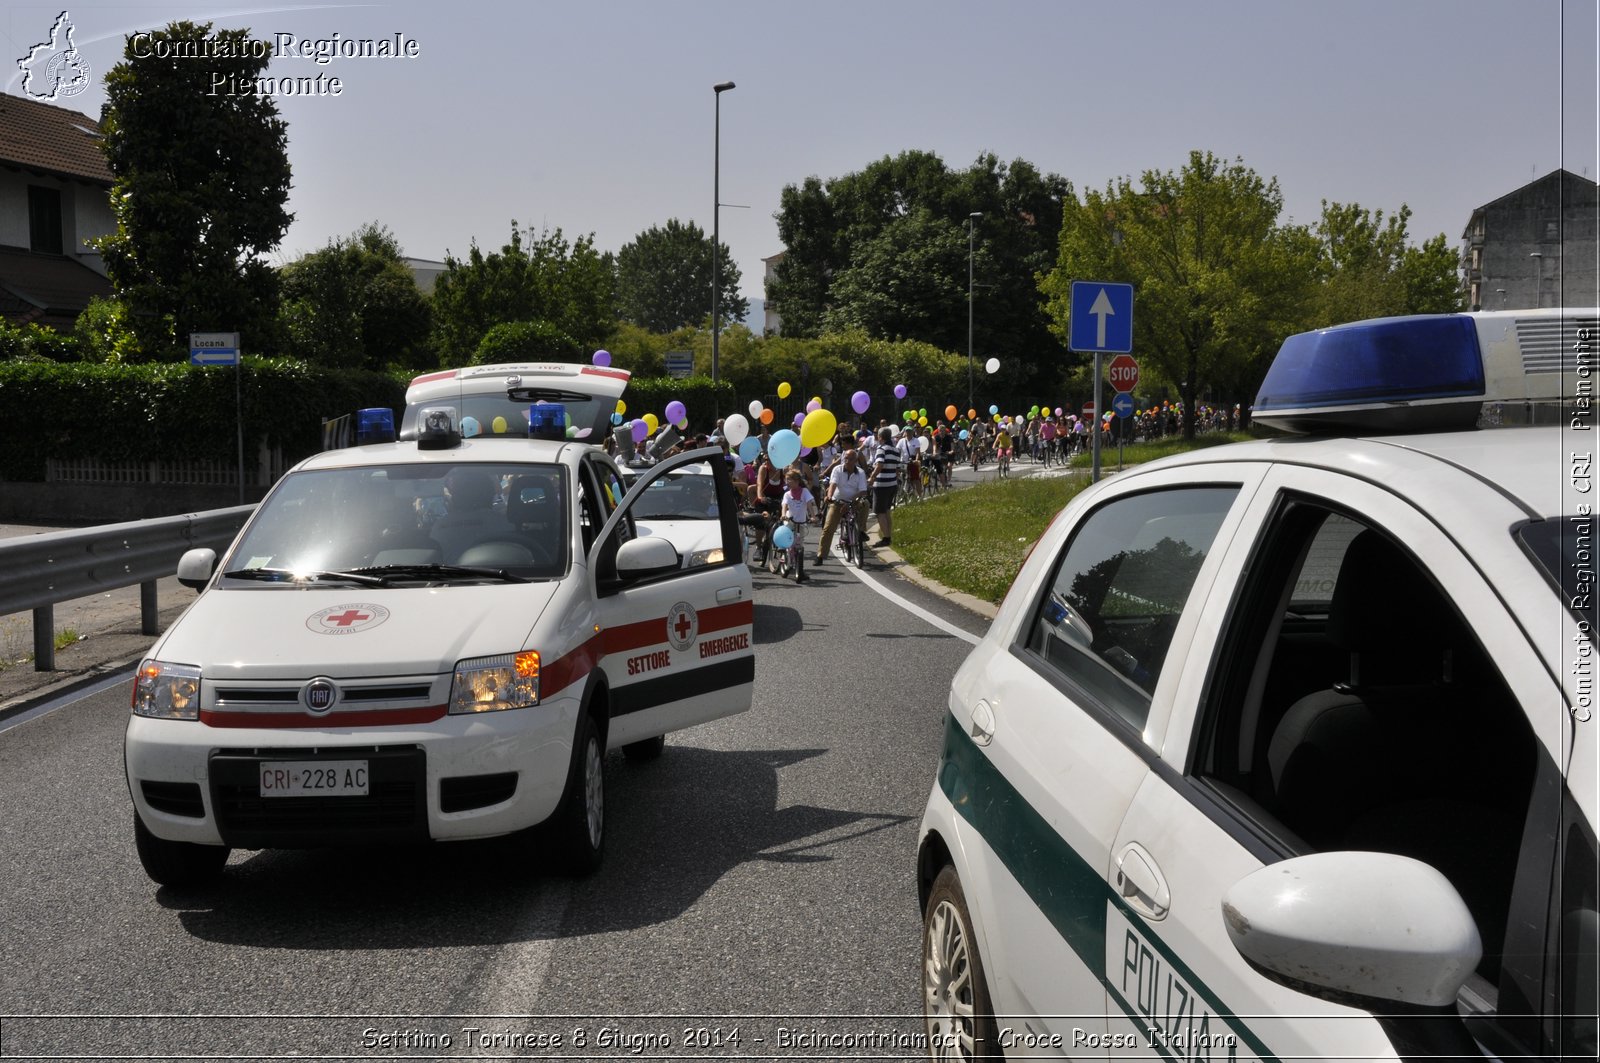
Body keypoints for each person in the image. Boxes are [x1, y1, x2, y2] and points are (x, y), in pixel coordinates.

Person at [815, 447, 869, 563]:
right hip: (838, 501)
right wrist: (829, 496)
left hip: (854, 501)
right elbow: (833, 484)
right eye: (845, 458)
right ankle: (820, 556)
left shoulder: (860, 473)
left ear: (856, 461)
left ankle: (860, 531)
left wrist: (852, 502)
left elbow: (863, 491)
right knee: (828, 528)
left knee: (865, 503)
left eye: (850, 459)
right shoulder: (837, 470)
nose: (847, 461)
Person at [777, 469, 817, 580]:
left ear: (797, 480)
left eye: (789, 479)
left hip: (801, 521)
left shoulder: (805, 491)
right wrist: (783, 514)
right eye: (786, 480)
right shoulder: (787, 494)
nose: (787, 482)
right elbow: (784, 506)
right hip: (790, 519)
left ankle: (800, 570)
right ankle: (782, 548)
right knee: (786, 531)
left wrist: (813, 516)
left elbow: (809, 504)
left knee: (799, 545)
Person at [869, 427, 901, 547]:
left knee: (879, 512)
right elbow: (897, 469)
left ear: (880, 437)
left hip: (881, 484)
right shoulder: (895, 449)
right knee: (887, 510)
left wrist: (872, 477)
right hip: (892, 484)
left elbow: (879, 465)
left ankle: (886, 538)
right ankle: (888, 535)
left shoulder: (881, 449)